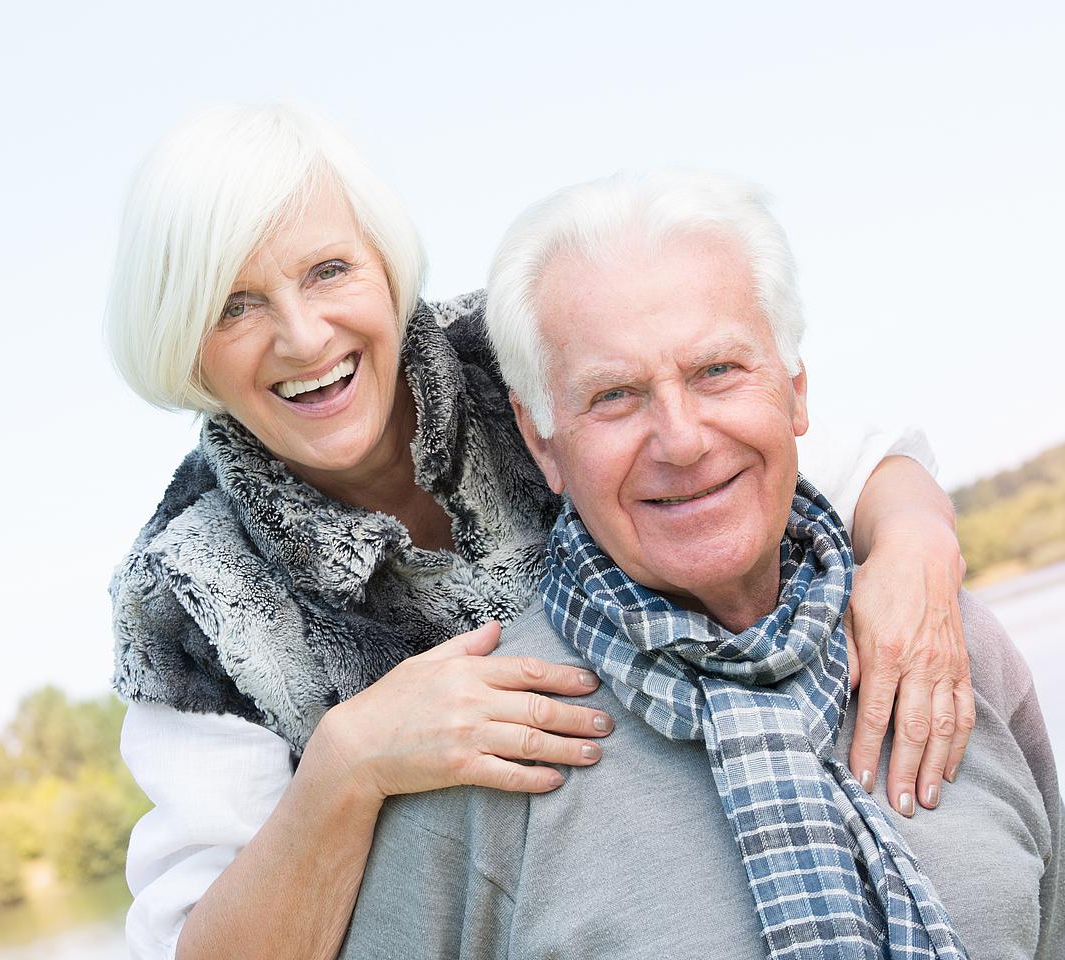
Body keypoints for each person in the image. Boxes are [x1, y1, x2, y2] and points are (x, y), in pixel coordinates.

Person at [106, 104, 975, 960]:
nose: (303, 336)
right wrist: (347, 764)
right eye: (234, 306)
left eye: (329, 270)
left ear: (385, 265)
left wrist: (915, 546)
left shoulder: (518, 345)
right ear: (185, 349)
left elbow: (808, 450)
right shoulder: (188, 591)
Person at [340, 170, 1060, 959]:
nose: (681, 440)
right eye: (614, 395)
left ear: (794, 390)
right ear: (542, 440)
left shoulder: (949, 645)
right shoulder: (481, 751)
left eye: (717, 370)